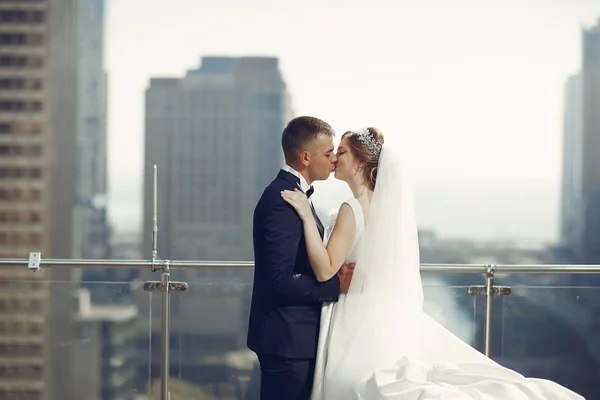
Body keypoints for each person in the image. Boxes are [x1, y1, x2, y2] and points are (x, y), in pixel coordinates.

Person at [281, 127, 585, 400]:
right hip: (370, 308)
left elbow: (324, 269)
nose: (335, 159)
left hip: (349, 312)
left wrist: (307, 217)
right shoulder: (382, 207)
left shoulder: (352, 207)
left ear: (361, 163)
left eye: (342, 152)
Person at [247, 116, 355, 400]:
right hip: (286, 342)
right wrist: (336, 286)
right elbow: (280, 281)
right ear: (305, 157)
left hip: (296, 340)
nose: (333, 160)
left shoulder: (295, 195)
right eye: (328, 153)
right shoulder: (281, 202)